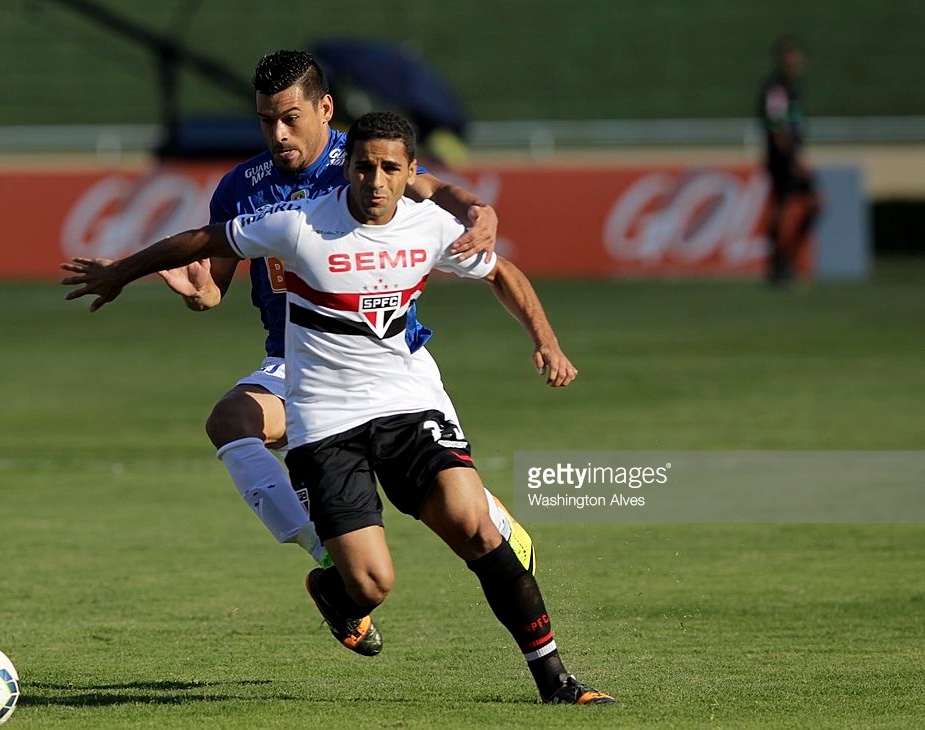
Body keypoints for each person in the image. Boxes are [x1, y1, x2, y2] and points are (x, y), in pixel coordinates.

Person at [61, 111, 617, 705]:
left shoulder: (427, 226)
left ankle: (557, 682)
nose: (376, 181)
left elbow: (501, 273)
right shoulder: (298, 225)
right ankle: (337, 592)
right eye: (364, 167)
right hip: (325, 420)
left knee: (474, 528)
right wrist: (123, 271)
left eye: (390, 169)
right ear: (346, 169)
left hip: (409, 402)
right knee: (373, 584)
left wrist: (546, 341)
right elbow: (202, 240)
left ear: (409, 173)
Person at [157, 51, 534, 602]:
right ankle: (329, 555)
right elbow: (213, 287)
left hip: (379, 360)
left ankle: (485, 517)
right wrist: (199, 293)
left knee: (437, 497)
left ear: (324, 109)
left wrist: (480, 208)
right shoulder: (240, 186)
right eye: (267, 120)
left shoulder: (362, 162)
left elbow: (433, 190)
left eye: (291, 118)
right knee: (231, 422)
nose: (279, 133)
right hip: (294, 361)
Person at [758, 35, 822, 286]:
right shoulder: (777, 88)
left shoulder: (792, 87)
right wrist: (791, 158)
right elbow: (777, 127)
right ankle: (778, 264)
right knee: (782, 208)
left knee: (813, 205)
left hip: (792, 156)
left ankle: (785, 261)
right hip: (783, 158)